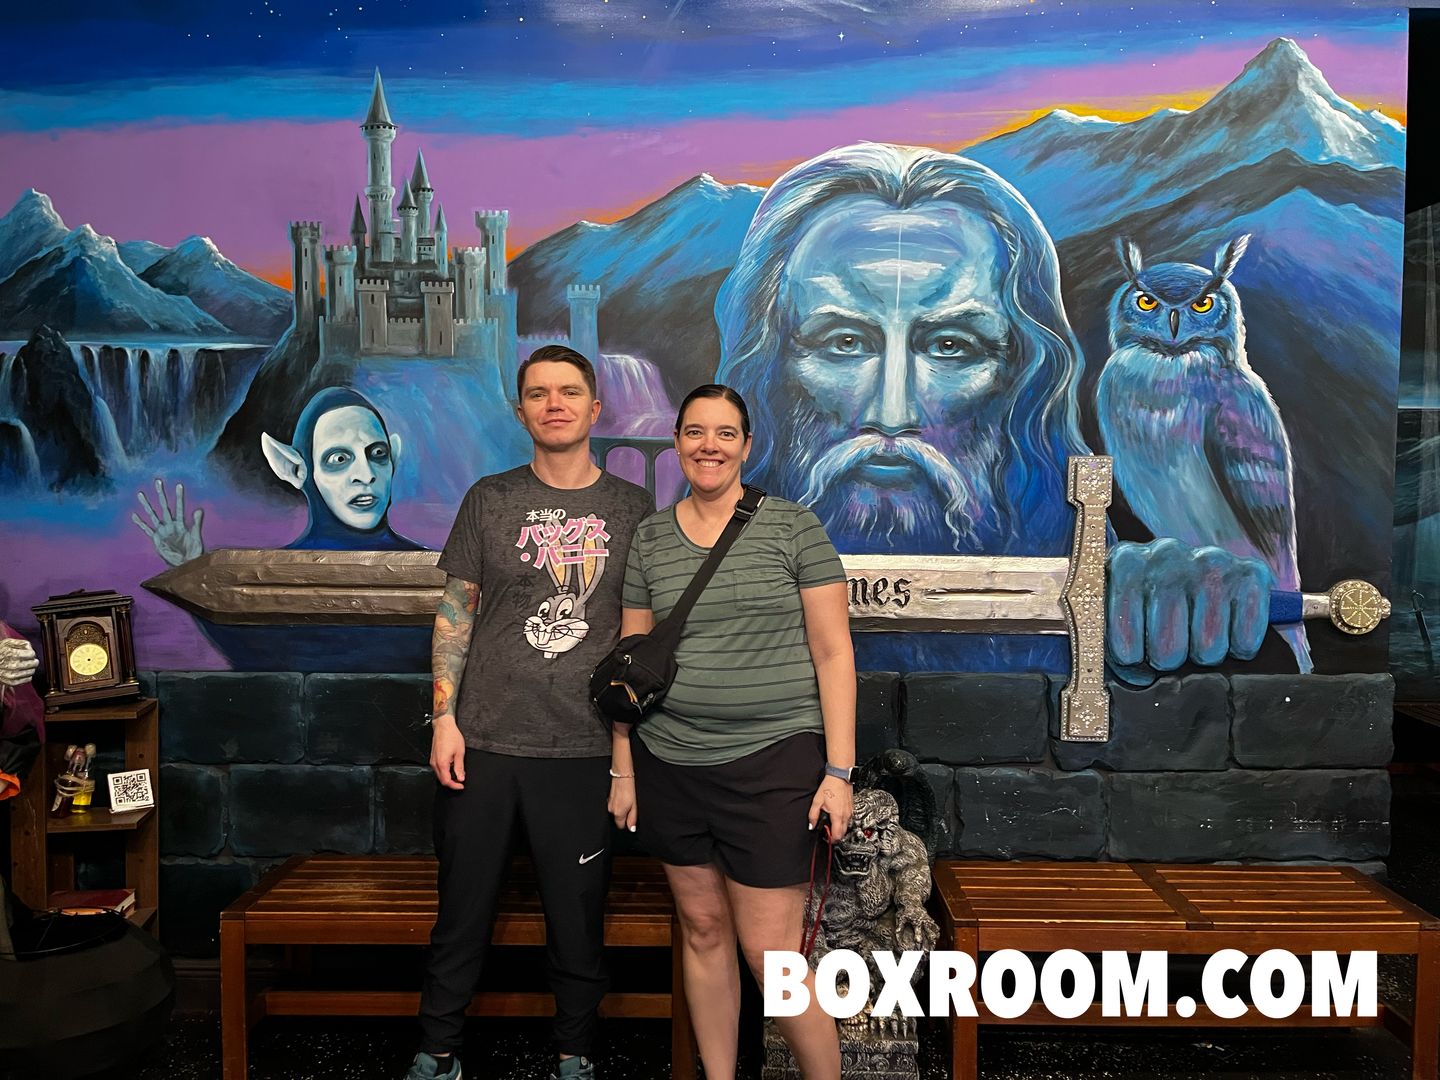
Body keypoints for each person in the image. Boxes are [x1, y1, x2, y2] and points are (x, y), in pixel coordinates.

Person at [712, 141, 1274, 679]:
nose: (892, 412)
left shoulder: (1070, 549)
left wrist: (1166, 604)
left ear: (1022, 376)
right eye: (844, 343)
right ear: (769, 364)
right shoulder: (686, 560)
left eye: (951, 346)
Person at [408, 345, 653, 1080]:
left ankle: (575, 1054)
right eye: (539, 393)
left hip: (581, 747)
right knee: (462, 910)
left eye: (568, 391)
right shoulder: (489, 499)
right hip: (482, 739)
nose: (554, 404)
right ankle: (438, 1052)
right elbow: (456, 612)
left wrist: (623, 760)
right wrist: (444, 719)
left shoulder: (633, 510)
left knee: (577, 917)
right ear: (520, 412)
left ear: (594, 408)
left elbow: (636, 646)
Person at [609, 384, 855, 1080]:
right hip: (669, 763)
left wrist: (839, 773)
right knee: (703, 930)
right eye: (694, 432)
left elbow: (834, 653)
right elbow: (629, 667)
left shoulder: (794, 528)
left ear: (747, 446)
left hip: (773, 764)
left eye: (724, 433)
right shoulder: (651, 538)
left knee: (773, 956)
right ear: (676, 443)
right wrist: (623, 766)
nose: (708, 446)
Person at [133, 386, 421, 565]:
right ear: (295, 470)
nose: (366, 474)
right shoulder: (273, 575)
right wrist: (189, 568)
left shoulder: (432, 571)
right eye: (339, 459)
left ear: (393, 462)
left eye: (378, 454)